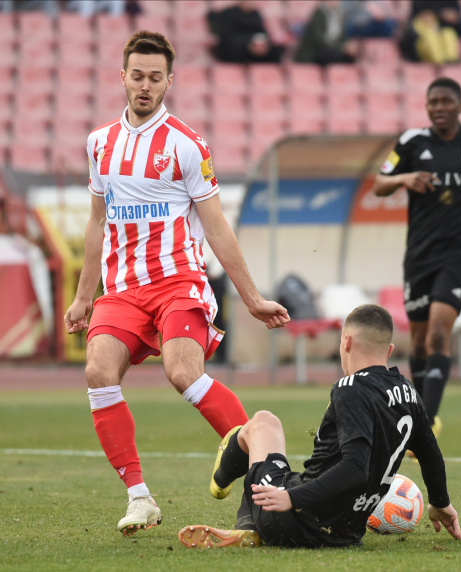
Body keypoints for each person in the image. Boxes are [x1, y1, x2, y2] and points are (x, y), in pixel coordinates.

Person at [64, 31, 290, 537]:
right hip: (122, 290)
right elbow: (97, 221)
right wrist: (83, 297)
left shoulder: (187, 145)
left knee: (182, 371)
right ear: (123, 78)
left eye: (155, 77)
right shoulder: (100, 143)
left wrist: (252, 298)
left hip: (177, 282)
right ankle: (139, 498)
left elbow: (216, 226)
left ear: (169, 80)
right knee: (98, 371)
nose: (145, 85)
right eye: (137, 76)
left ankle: (262, 478)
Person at [178, 304, 461, 548]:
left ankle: (228, 487)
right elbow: (431, 455)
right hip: (345, 534)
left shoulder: (349, 388)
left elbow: (355, 467)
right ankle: (248, 521)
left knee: (264, 423)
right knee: (280, 466)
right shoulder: (409, 392)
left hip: (293, 520)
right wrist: (440, 502)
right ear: (389, 350)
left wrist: (291, 497)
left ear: (346, 343)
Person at [370, 77, 461, 438]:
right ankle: (421, 413)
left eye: (446, 101)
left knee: (437, 333)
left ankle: (424, 426)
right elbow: (379, 184)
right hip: (420, 254)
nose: (439, 107)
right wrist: (405, 178)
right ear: (427, 107)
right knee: (417, 342)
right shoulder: (412, 142)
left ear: (460, 106)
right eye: (433, 102)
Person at [208, 1, 285, 64]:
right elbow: (227, 36)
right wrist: (248, 44)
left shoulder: (256, 14)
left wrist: (262, 43)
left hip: (254, 46)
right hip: (235, 47)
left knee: (276, 50)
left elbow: (261, 32)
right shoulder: (229, 13)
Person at [294, 0, 360, 65]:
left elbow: (341, 37)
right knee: (334, 55)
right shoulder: (319, 13)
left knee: (350, 56)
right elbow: (319, 39)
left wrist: (348, 46)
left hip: (333, 49)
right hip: (316, 51)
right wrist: (341, 47)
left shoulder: (338, 15)